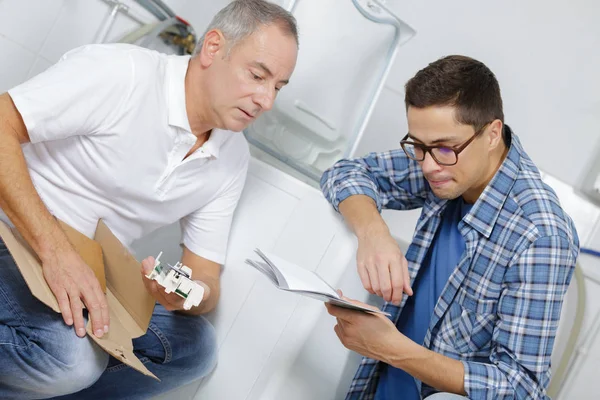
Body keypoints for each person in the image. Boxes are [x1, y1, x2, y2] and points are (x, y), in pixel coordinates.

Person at [0, 0, 298, 398]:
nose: (266, 100)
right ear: (212, 48)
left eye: (277, 86)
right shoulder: (123, 74)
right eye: (258, 76)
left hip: (89, 273)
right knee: (72, 361)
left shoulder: (231, 157)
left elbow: (205, 274)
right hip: (14, 236)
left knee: (196, 350)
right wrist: (55, 252)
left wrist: (187, 295)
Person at [320, 55, 579, 399]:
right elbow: (345, 173)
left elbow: (520, 388)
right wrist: (374, 233)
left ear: (491, 134)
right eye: (417, 146)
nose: (428, 166)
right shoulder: (447, 163)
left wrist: (392, 349)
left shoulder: (540, 235)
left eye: (443, 147)